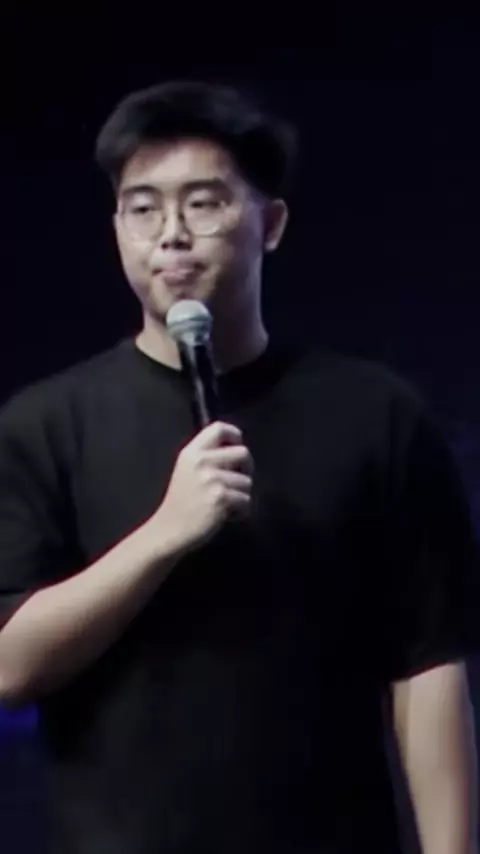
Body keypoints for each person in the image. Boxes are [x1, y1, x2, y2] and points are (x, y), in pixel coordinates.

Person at [0, 80, 478, 854]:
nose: (171, 236)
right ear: (116, 227)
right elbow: (8, 667)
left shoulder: (375, 414)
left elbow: (428, 667)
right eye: (143, 208)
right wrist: (166, 533)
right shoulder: (43, 425)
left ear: (271, 223)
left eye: (204, 203)